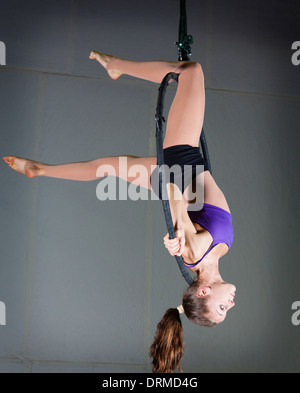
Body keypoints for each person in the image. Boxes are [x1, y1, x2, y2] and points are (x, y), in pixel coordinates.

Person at [3, 51, 236, 373]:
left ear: (205, 292)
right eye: (227, 309)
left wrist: (179, 234)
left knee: (191, 70)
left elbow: (175, 196)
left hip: (182, 162)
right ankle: (41, 170)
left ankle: (117, 67)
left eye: (221, 307)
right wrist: (180, 227)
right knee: (106, 167)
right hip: (183, 168)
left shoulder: (195, 254)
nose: (231, 304)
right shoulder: (211, 256)